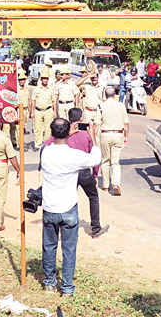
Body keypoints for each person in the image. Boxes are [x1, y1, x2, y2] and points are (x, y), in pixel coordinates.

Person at [41, 118, 101, 297]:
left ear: (51, 133)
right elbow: (96, 158)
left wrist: (66, 135)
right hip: (68, 209)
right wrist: (92, 136)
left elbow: (47, 143)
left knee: (49, 247)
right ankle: (67, 288)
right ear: (68, 132)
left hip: (50, 207)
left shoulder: (45, 152)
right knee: (69, 249)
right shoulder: (74, 155)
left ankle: (50, 283)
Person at [44, 108, 109, 238]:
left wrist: (67, 134)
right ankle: (95, 228)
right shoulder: (86, 134)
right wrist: (95, 175)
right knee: (93, 197)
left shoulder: (65, 134)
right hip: (84, 171)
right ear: (81, 119)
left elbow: (47, 144)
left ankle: (62, 228)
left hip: (68, 171)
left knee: (68, 198)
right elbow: (94, 156)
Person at [95, 87, 129, 196]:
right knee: (115, 162)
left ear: (105, 95)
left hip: (105, 134)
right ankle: (116, 183)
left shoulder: (101, 106)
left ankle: (105, 185)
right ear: (115, 95)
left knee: (105, 160)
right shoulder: (121, 106)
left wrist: (95, 138)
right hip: (118, 134)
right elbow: (126, 124)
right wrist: (126, 136)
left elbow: (97, 125)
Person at [30, 71, 57, 151]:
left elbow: (54, 101)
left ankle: (46, 144)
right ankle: (38, 145)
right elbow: (33, 101)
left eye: (46, 79)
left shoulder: (51, 89)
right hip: (38, 111)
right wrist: (32, 112)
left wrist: (55, 112)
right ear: (41, 79)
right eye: (44, 79)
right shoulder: (36, 89)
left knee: (48, 128)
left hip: (48, 110)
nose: (45, 80)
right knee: (38, 128)